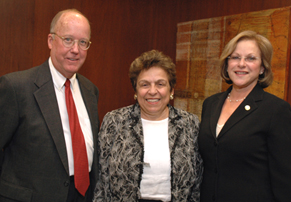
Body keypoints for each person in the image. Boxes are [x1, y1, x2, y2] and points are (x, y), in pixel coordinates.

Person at [0, 9, 99, 202]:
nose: (76, 50)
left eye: (83, 42)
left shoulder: (90, 90)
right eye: (68, 39)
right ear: (50, 41)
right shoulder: (16, 87)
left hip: (82, 196)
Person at [93, 50, 203, 202]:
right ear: (136, 90)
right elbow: (102, 180)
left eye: (160, 84)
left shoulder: (189, 124)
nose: (152, 91)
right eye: (145, 84)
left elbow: (197, 182)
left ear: (171, 90)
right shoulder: (114, 121)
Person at [198, 30, 291, 202]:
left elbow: (284, 177)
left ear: (263, 67)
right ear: (226, 64)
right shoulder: (210, 104)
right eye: (234, 57)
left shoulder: (276, 110)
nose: (241, 64)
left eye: (251, 58)